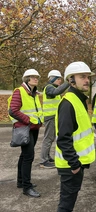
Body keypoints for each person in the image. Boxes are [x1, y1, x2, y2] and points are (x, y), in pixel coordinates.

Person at [55, 62, 96, 212]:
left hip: (75, 163)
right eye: (82, 77)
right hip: (70, 166)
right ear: (71, 80)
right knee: (66, 205)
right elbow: (63, 138)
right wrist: (74, 164)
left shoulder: (79, 100)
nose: (87, 80)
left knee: (68, 202)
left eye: (88, 77)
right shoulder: (68, 103)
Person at [8, 69, 43, 197]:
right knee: (29, 157)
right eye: (33, 77)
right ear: (27, 78)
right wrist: (28, 120)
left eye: (37, 77)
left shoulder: (33, 93)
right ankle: (26, 187)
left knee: (24, 156)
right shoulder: (20, 91)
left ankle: (21, 181)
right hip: (26, 128)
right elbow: (13, 110)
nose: (36, 79)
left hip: (33, 128)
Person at [40, 70, 69, 169]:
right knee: (48, 139)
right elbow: (56, 92)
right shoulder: (49, 88)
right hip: (50, 117)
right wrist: (68, 83)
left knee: (50, 138)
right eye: (58, 79)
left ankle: (47, 157)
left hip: (53, 117)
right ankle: (43, 161)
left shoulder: (52, 88)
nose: (60, 81)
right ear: (52, 79)